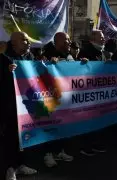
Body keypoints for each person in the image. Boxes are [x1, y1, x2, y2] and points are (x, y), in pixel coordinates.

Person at [0, 32, 37, 180]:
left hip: (26, 105)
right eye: (24, 40)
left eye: (28, 40)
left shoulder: (29, 57)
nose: (28, 43)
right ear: (13, 43)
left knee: (24, 137)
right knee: (10, 138)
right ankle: (9, 168)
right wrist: (6, 72)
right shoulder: (3, 58)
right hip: (9, 106)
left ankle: (21, 164)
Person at [41, 32, 74, 167]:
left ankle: (60, 150)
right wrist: (49, 63)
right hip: (50, 97)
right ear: (58, 41)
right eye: (66, 40)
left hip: (65, 97)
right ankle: (47, 154)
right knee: (51, 125)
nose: (69, 42)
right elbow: (39, 70)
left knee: (62, 125)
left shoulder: (68, 55)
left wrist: (82, 62)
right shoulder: (47, 54)